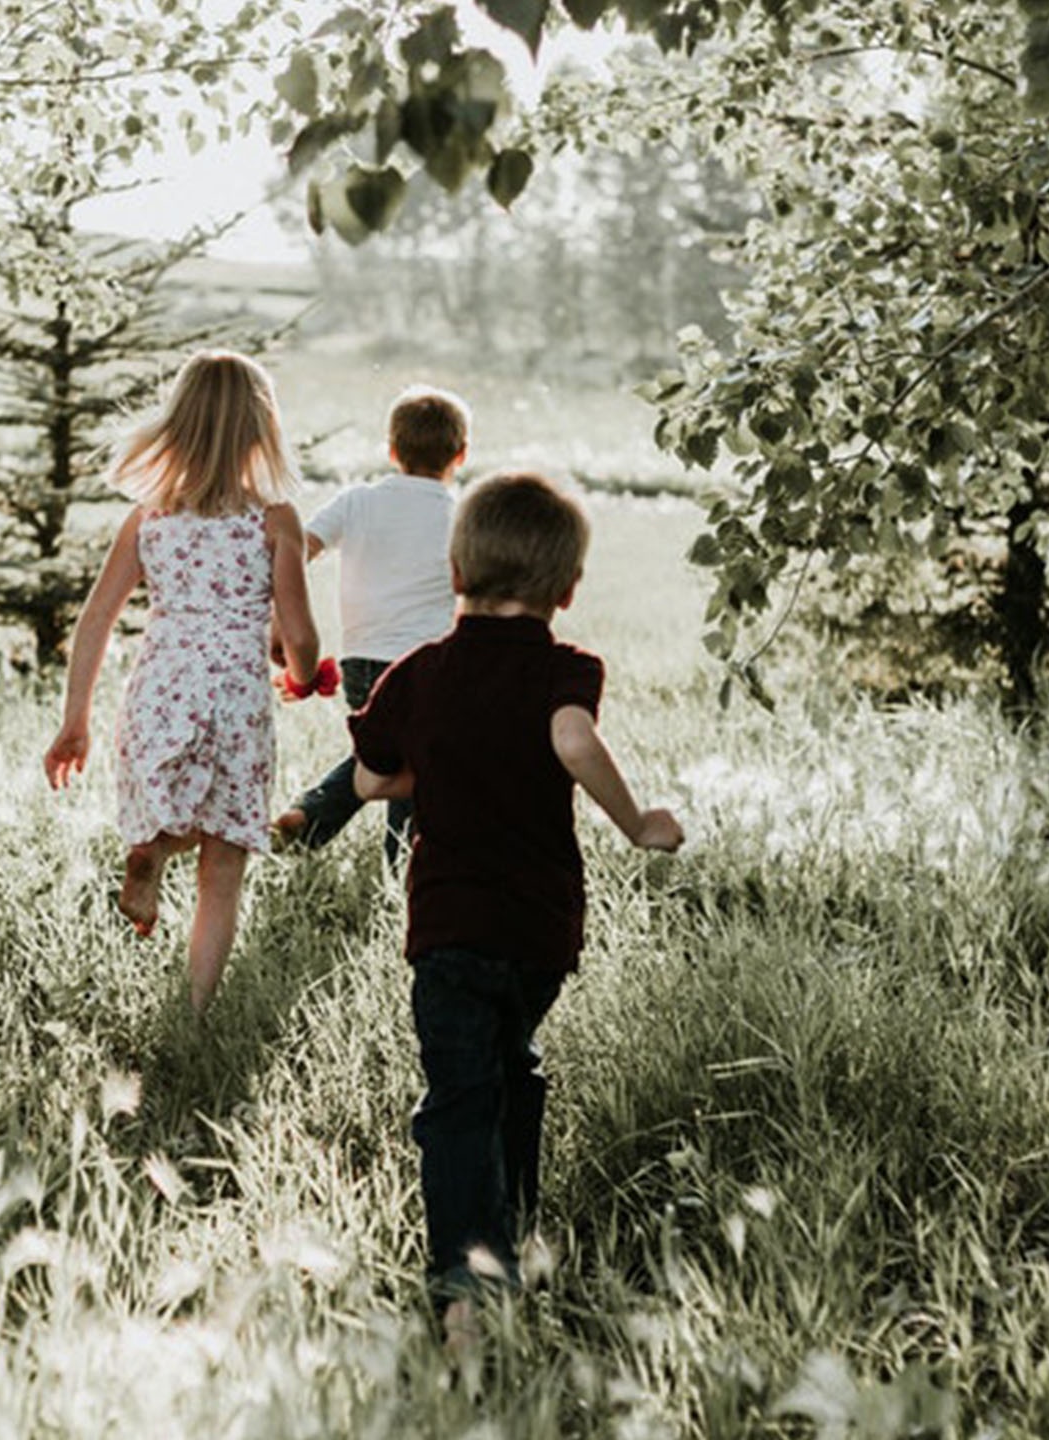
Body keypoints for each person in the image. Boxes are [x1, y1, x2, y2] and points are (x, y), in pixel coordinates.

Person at [347, 470, 684, 1334]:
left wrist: (436, 764)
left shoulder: (420, 673)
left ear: (456, 570)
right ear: (566, 588)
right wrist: (639, 821)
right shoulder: (568, 668)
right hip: (540, 929)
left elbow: (373, 776)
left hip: (450, 925)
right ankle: (515, 1232)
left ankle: (470, 1284)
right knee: (513, 1068)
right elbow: (569, 735)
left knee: (459, 1095)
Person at [44, 351, 319, 1016]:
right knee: (223, 864)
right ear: (262, 429)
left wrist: (74, 720)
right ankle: (195, 1013)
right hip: (233, 694)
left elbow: (95, 622)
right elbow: (301, 635)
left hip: (161, 686)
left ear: (179, 425)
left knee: (173, 806)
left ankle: (152, 849)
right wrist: (302, 675)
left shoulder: (149, 519)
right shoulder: (274, 519)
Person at [271, 385, 470, 862]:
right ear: (461, 455)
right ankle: (401, 864)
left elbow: (299, 548)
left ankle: (309, 818)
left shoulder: (357, 501)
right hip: (428, 664)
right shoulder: (460, 516)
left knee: (389, 753)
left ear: (392, 450)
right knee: (414, 762)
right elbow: (475, 585)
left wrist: (281, 615)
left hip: (361, 663)